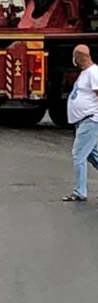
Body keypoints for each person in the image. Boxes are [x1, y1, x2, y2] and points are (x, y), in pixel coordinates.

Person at [63, 45, 98, 202]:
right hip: (84, 121)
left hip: (90, 119)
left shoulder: (93, 73)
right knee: (92, 155)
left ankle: (80, 191)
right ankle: (80, 190)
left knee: (79, 154)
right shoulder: (85, 73)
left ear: (79, 57)